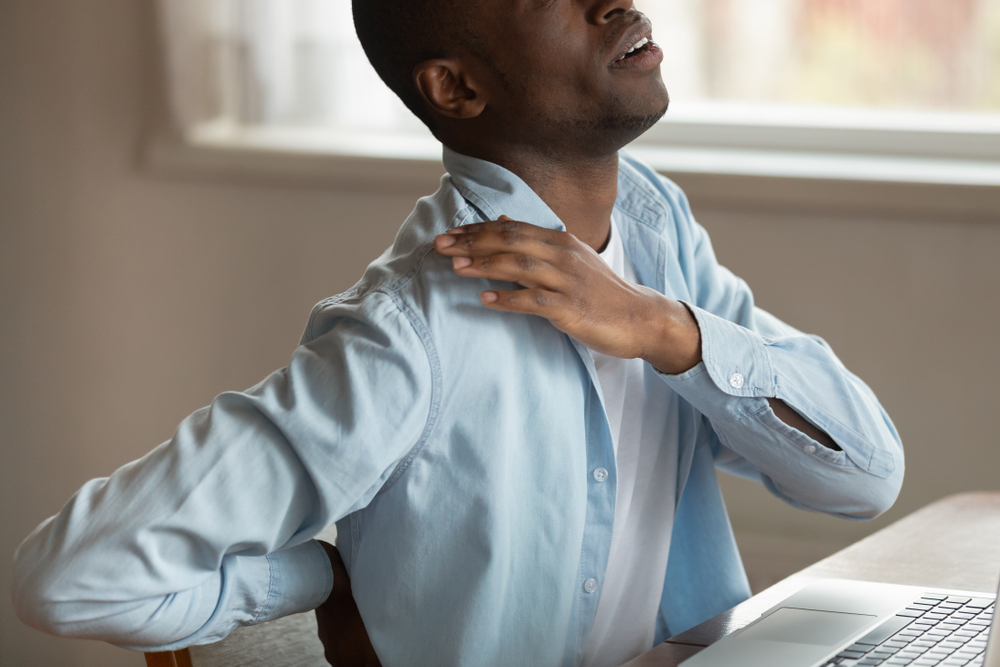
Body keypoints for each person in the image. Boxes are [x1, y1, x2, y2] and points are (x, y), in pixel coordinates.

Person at [11, 1, 904, 666]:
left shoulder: (653, 229)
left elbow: (863, 475)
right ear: (457, 87)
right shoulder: (406, 334)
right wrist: (317, 579)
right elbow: (72, 576)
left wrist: (661, 329)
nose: (616, 2)